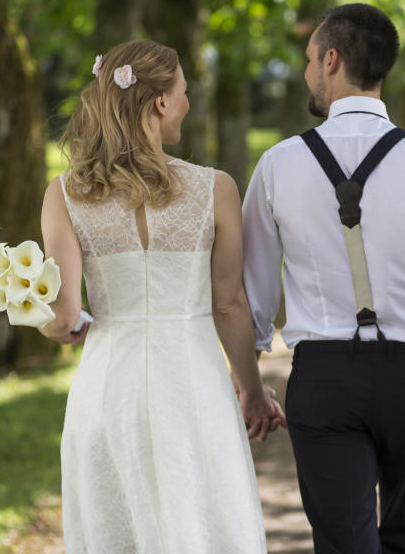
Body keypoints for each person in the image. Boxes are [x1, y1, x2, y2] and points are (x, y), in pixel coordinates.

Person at [242, 3, 405, 554]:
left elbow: (253, 299)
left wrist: (249, 387)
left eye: (310, 59)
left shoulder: (277, 164)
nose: (306, 71)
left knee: (343, 546)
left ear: (332, 60)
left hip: (324, 382)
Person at [38, 39, 284, 552]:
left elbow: (61, 317)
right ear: (161, 103)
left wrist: (48, 321)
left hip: (108, 389)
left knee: (116, 530)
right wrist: (252, 390)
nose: (188, 102)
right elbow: (229, 305)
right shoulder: (216, 189)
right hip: (193, 385)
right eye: (185, 92)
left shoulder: (65, 193)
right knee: (204, 522)